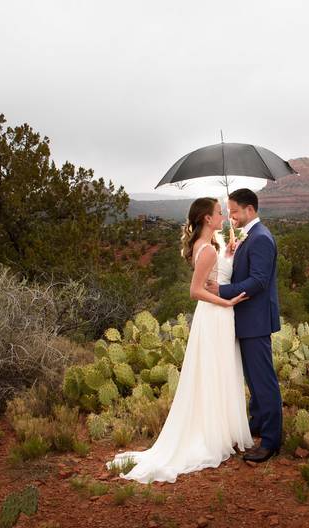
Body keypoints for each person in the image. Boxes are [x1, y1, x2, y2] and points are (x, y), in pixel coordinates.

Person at [105, 197, 252, 483]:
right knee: (215, 371)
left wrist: (231, 252)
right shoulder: (208, 250)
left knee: (214, 372)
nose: (223, 217)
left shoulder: (208, 247)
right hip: (215, 315)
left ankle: (218, 431)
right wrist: (226, 302)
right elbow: (195, 291)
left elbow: (216, 273)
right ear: (208, 219)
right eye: (219, 213)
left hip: (214, 316)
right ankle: (212, 435)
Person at [205, 187, 283, 462]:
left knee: (263, 380)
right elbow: (245, 270)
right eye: (227, 212)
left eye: (234, 212)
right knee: (253, 378)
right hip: (247, 319)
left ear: (250, 210)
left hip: (256, 320)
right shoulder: (248, 236)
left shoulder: (261, 238)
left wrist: (221, 291)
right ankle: (258, 424)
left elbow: (258, 282)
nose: (231, 217)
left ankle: (272, 441)